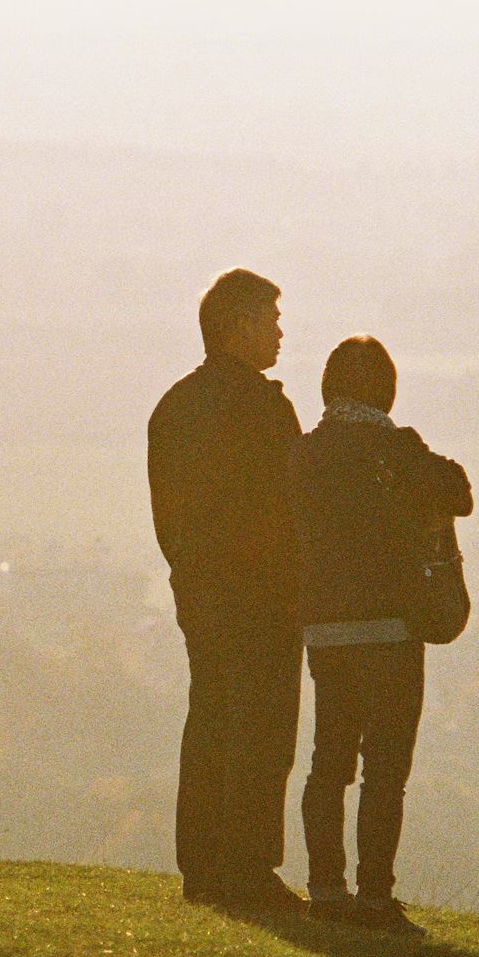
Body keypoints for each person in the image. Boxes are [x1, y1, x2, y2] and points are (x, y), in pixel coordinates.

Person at [290, 335, 471, 935]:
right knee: (385, 768)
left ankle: (324, 886)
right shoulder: (398, 449)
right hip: (393, 630)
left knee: (328, 761)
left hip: (324, 630)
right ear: (387, 388)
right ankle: (375, 895)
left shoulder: (304, 454)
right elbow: (459, 493)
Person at [147, 268, 305, 912]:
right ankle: (247, 862)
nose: (279, 333)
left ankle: (203, 862)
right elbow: (295, 505)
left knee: (211, 717)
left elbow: (171, 519)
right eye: (270, 320)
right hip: (266, 598)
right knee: (266, 726)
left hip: (204, 596)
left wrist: (193, 576)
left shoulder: (175, 407)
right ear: (240, 329)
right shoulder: (266, 409)